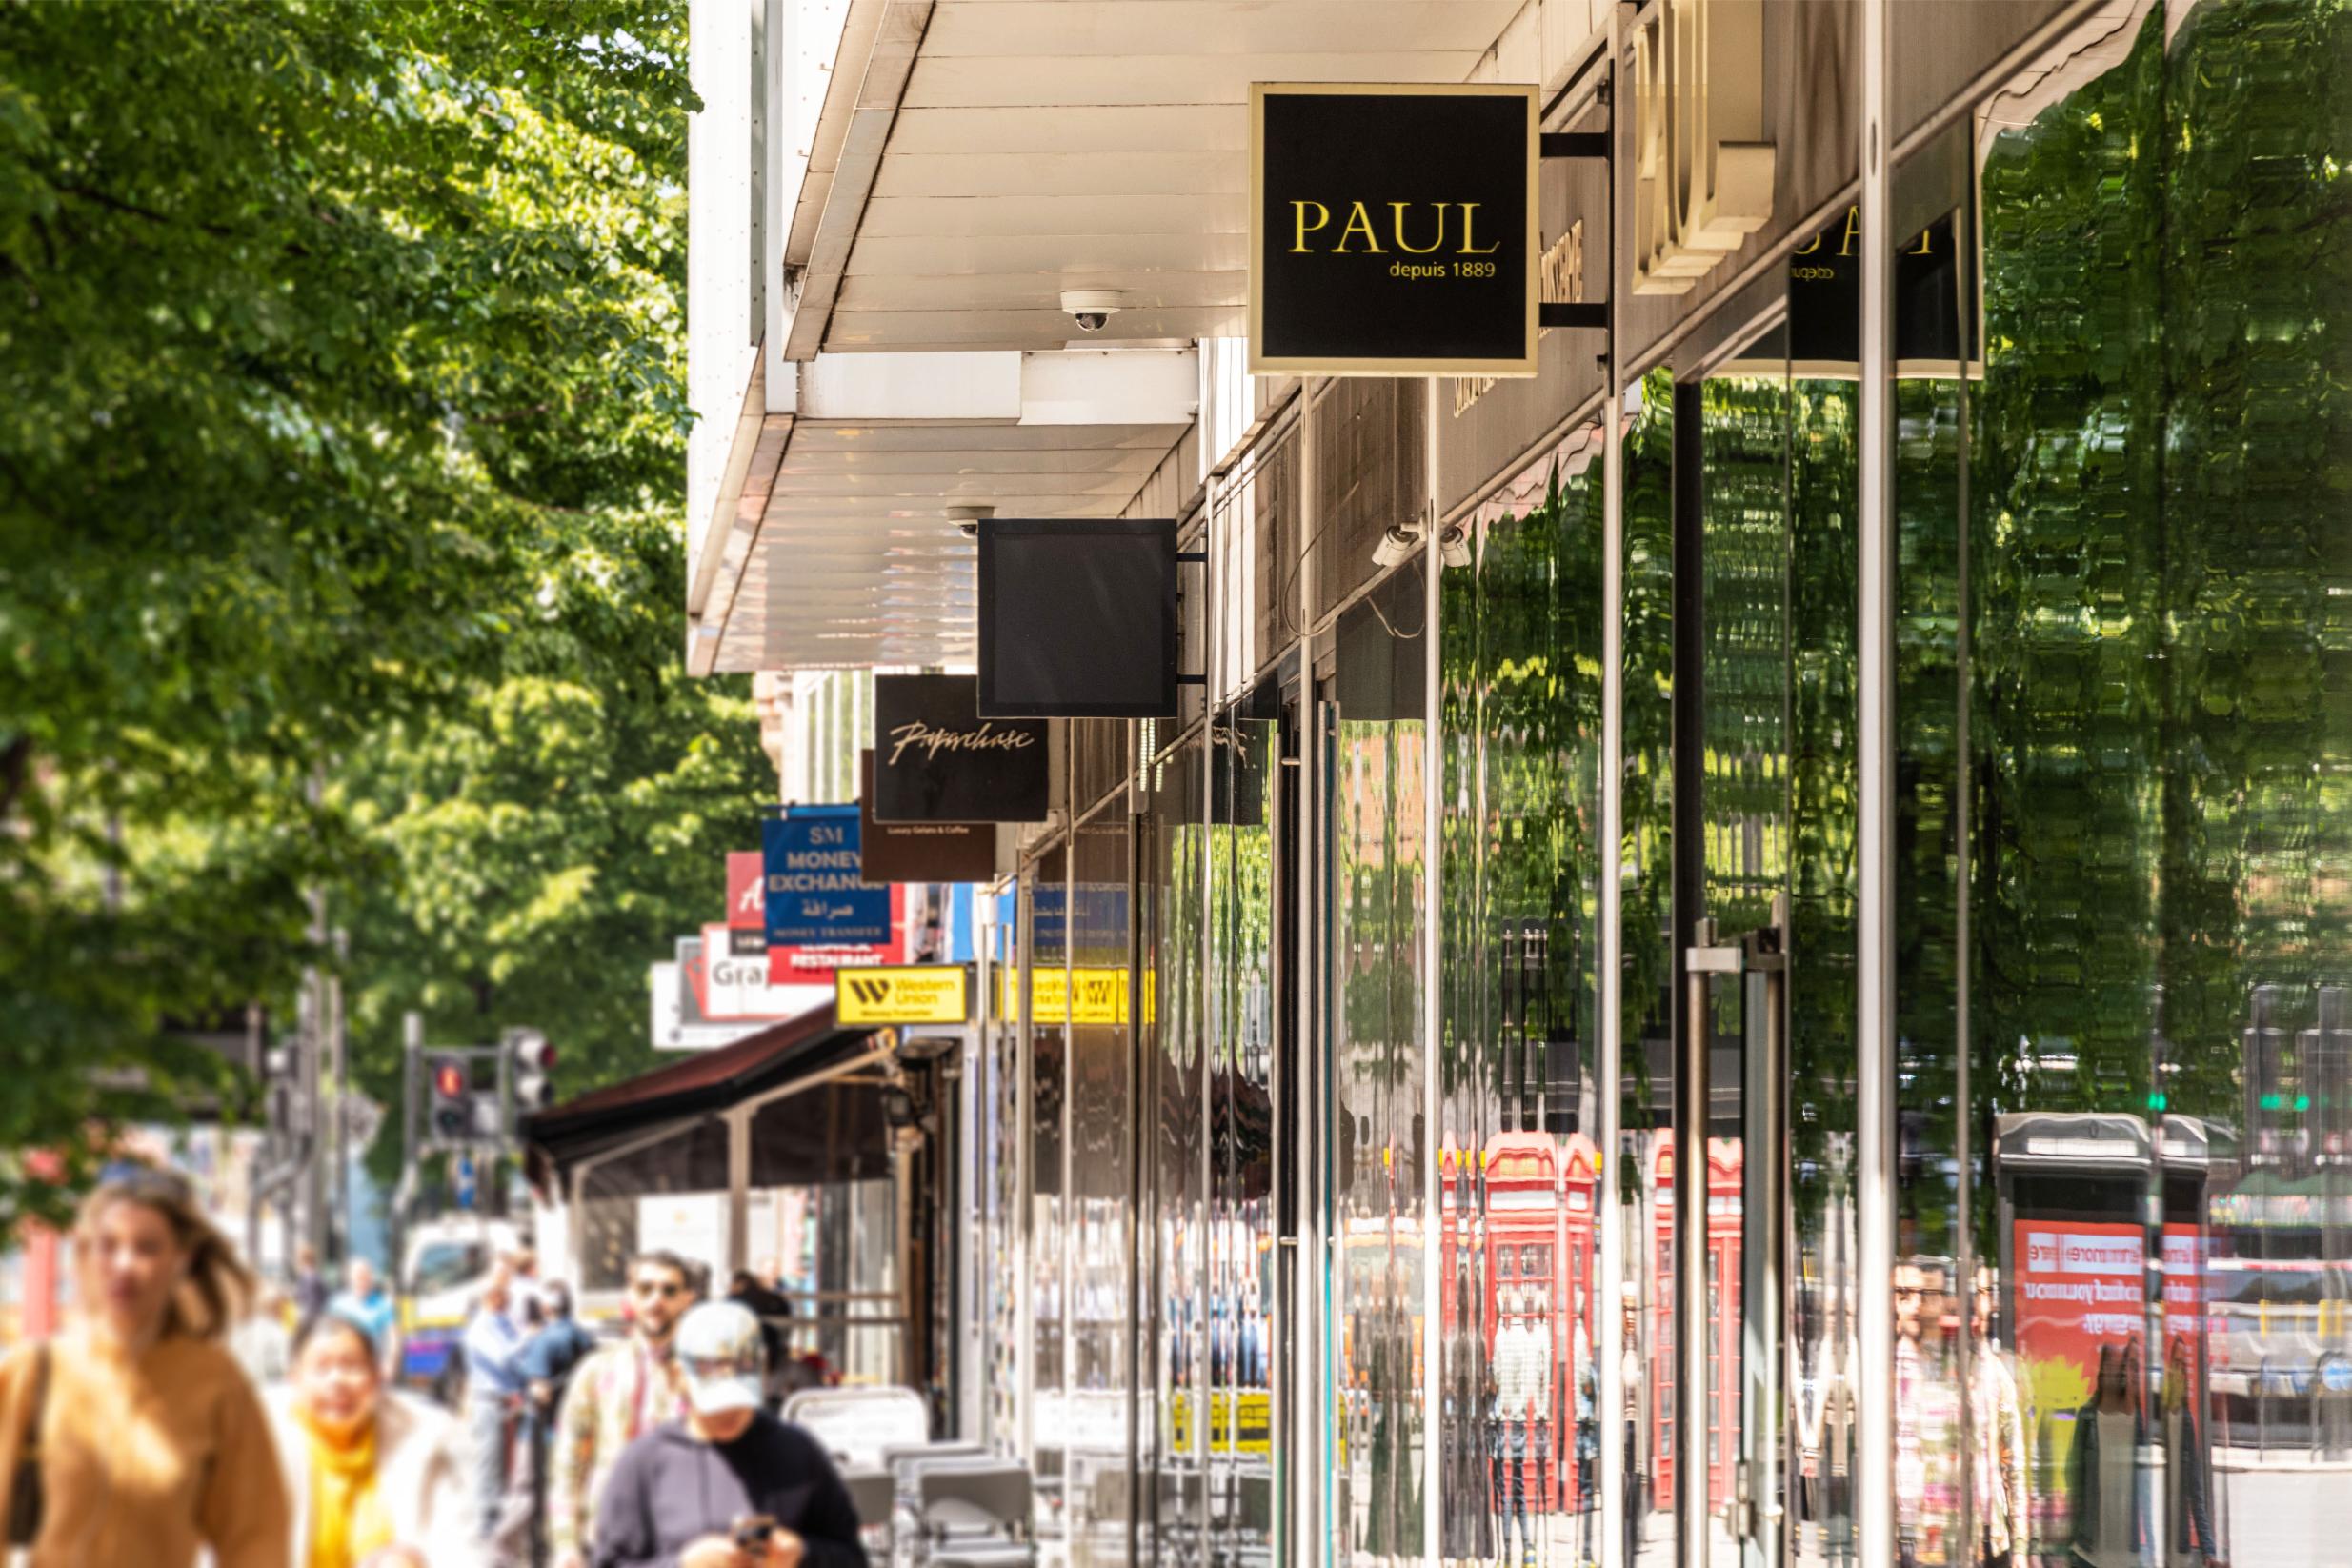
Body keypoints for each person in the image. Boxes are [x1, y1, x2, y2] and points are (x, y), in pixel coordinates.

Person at [0, 1167, 291, 1566]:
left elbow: (257, 1538)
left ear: (181, 1260)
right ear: (86, 1253)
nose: (124, 1264)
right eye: (108, 1245)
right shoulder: (35, 1372)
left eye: (147, 1248)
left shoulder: (216, 1384)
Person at [590, 1301, 865, 1568]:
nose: (728, 1414)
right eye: (713, 1403)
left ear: (766, 1372)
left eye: (740, 1400)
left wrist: (802, 1555)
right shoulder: (647, 1462)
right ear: (677, 1378)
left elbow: (852, 1557)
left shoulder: (797, 1451)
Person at [269, 1309, 478, 1568]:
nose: (337, 1381)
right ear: (295, 1380)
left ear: (377, 1378)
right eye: (321, 1368)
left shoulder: (422, 1443)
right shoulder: (258, 1449)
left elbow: (458, 1548)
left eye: (352, 1366)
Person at [548, 1251, 699, 1568]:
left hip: (683, 1546)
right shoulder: (597, 1370)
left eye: (669, 1291)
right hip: (607, 1541)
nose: (656, 1300)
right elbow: (568, 1462)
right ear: (630, 1295)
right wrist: (565, 1543)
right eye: (645, 1289)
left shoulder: (704, 1377)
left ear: (687, 1299)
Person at [460, 1267, 527, 1540]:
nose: (509, 1298)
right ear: (491, 1297)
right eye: (503, 1294)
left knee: (504, 1464)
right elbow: (503, 1358)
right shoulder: (480, 1328)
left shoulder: (503, 1323)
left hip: (505, 1401)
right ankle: (484, 1522)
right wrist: (529, 1340)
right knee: (488, 1462)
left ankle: (500, 1518)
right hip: (487, 1401)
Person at [328, 1258, 402, 1383]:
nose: (361, 1280)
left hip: (371, 1369)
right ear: (350, 1278)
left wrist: (389, 1364)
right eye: (357, 1276)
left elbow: (394, 1337)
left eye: (365, 1276)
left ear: (370, 1278)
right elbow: (327, 1336)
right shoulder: (337, 1305)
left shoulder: (383, 1305)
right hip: (344, 1369)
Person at [234, 1285, 296, 1388]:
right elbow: (278, 1368)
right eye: (282, 1306)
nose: (284, 1310)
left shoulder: (244, 1327)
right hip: (266, 1387)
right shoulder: (277, 1332)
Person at [293, 1244, 332, 1325]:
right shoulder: (317, 1277)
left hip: (309, 1323)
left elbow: (310, 1305)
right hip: (316, 1320)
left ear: (302, 1260)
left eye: (297, 1259)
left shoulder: (309, 1278)